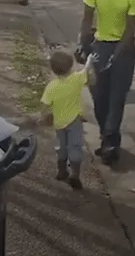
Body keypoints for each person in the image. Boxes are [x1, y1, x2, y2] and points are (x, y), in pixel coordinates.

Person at [80, 0, 135, 165]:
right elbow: (87, 16)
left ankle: (110, 143)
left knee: (117, 97)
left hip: (123, 48)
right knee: (99, 96)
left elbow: (130, 29)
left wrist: (116, 56)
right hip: (101, 45)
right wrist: (84, 42)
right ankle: (107, 135)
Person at [40, 51, 96, 190]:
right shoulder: (76, 79)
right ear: (71, 67)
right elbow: (86, 70)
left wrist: (43, 118)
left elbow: (45, 106)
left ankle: (62, 171)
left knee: (61, 148)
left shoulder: (51, 87)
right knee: (75, 147)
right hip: (75, 121)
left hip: (59, 123)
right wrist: (90, 59)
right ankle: (75, 175)